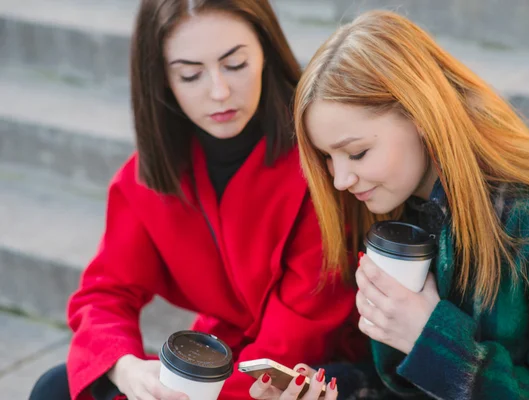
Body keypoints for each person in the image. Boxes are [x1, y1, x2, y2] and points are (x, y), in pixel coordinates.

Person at [250, 10, 529, 400]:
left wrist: (431, 337)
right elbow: (403, 389)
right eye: (327, 158)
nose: (339, 180)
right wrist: (329, 389)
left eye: (358, 152)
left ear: (419, 114)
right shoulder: (387, 207)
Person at [29, 1, 365, 399]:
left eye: (236, 65)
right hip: (219, 361)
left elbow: (293, 342)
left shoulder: (319, 163)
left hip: (307, 374)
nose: (219, 92)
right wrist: (126, 367)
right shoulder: (150, 177)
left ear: (265, 53)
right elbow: (105, 294)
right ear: (162, 81)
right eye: (190, 75)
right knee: (57, 387)